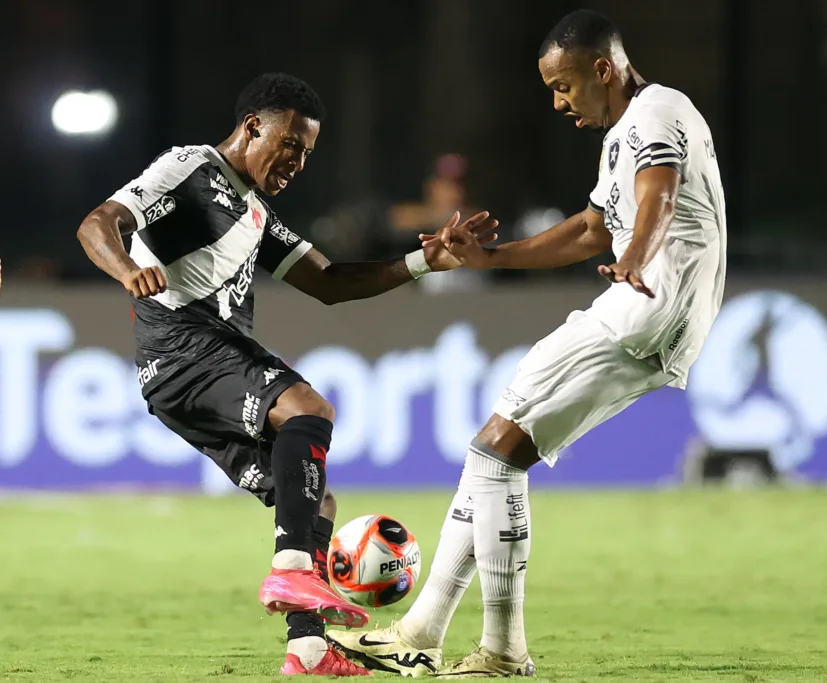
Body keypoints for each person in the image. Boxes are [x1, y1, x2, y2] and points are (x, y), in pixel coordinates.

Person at [329, 9, 727, 678]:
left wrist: (639, 255)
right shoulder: (625, 133)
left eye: (564, 85)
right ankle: (422, 632)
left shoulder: (656, 112)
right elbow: (587, 232)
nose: (558, 102)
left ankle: (503, 650)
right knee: (492, 452)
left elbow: (659, 193)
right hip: (661, 307)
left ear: (604, 69)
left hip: (646, 303)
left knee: (495, 455)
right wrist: (488, 258)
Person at [76, 72, 497, 677]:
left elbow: (329, 283)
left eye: (308, 153)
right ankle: (293, 572)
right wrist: (126, 270)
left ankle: (308, 650)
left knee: (313, 497)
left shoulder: (254, 213)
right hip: (185, 349)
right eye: (292, 145)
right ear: (253, 127)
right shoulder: (190, 168)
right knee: (310, 409)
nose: (299, 162)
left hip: (189, 372)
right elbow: (99, 223)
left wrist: (422, 261)